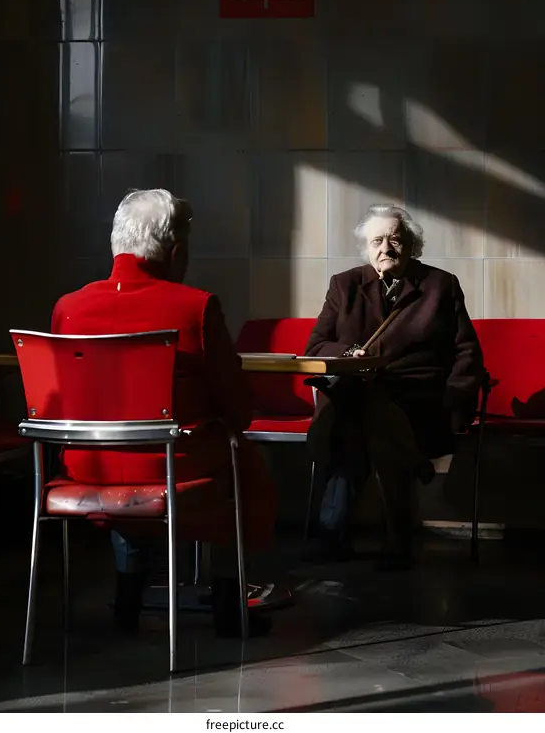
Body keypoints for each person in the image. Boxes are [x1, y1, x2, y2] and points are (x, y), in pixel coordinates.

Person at [52, 189, 277, 636]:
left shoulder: (67, 308)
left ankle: (128, 602)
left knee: (128, 457)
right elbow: (236, 405)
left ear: (117, 243)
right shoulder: (194, 307)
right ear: (177, 252)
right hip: (175, 466)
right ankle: (229, 606)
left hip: (86, 467)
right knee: (240, 464)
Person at [305, 204, 484, 570]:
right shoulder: (345, 284)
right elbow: (317, 347)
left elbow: (466, 350)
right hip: (357, 395)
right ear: (366, 249)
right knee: (363, 419)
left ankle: (330, 537)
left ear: (412, 246)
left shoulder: (441, 285)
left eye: (395, 239)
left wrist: (457, 399)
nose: (385, 248)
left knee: (360, 422)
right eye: (377, 241)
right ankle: (398, 534)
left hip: (419, 400)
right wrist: (350, 353)